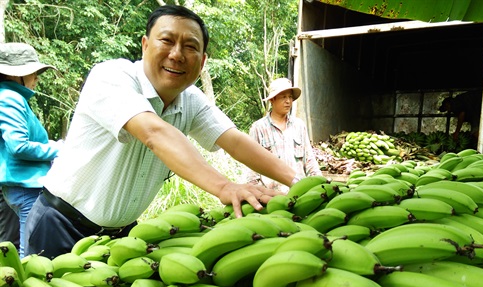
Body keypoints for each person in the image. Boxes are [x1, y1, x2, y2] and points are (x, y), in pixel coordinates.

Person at [25, 5, 298, 258]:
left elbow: (235, 142)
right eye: (166, 41)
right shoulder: (111, 77)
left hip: (122, 236)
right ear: (145, 45)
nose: (177, 54)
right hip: (60, 225)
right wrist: (225, 187)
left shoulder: (191, 99)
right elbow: (153, 133)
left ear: (202, 61)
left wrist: (298, 182)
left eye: (190, 46)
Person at [0, 42, 61, 257]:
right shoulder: (10, 98)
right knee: (32, 253)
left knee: (26, 248)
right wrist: (56, 149)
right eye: (33, 73)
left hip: (20, 187)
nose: (36, 79)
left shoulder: (10, 97)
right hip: (26, 187)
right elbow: (19, 146)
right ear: (16, 76)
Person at [247, 77, 322, 193]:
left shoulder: (299, 125)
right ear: (272, 100)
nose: (288, 101)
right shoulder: (259, 128)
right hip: (271, 196)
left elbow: (310, 160)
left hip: (300, 192)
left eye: (290, 97)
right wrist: (255, 192)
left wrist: (321, 184)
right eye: (283, 97)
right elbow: (251, 166)